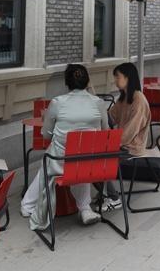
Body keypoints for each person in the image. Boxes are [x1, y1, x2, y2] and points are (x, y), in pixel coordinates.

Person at [21, 64, 108, 228]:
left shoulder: (57, 103)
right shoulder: (99, 103)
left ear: (66, 83)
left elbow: (46, 135)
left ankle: (28, 205)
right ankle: (84, 208)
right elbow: (106, 132)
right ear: (87, 81)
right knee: (82, 154)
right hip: (92, 163)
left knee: (51, 159)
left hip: (61, 162)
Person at [96, 62, 151, 211]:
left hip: (131, 147)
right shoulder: (124, 98)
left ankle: (114, 198)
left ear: (128, 78)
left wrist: (108, 142)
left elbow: (129, 133)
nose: (115, 80)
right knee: (88, 156)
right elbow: (110, 117)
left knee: (96, 160)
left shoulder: (138, 100)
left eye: (117, 77)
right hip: (121, 143)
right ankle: (105, 192)